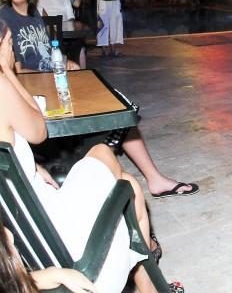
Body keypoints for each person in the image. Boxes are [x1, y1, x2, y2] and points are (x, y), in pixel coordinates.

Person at [2, 0, 199, 200]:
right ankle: (106, 158)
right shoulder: (5, 19)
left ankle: (154, 179)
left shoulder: (36, 16)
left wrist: (64, 62)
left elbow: (49, 53)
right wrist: (52, 74)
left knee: (117, 104)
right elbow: (15, 73)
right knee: (110, 113)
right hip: (37, 98)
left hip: (57, 84)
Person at [0, 26, 172, 293]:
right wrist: (8, 71)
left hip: (31, 236)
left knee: (122, 177)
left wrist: (29, 165)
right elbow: (39, 129)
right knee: (120, 174)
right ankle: (150, 266)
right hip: (74, 254)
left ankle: (150, 274)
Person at [36, 0, 87, 68]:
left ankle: (82, 75)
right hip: (47, 38)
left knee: (80, 48)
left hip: (65, 38)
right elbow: (38, 19)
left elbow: (71, 17)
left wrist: (71, 32)